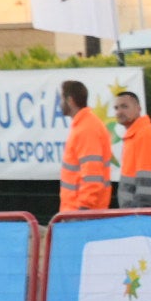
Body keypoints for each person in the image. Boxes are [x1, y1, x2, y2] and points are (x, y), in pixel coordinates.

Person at [58, 80, 112, 212]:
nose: (59, 104)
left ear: (70, 101)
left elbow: (92, 176)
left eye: (61, 99)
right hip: (79, 211)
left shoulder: (86, 129)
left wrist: (83, 209)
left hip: (81, 212)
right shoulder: (85, 126)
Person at [112, 90, 151, 208]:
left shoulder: (145, 134)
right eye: (116, 108)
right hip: (139, 214)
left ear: (138, 108)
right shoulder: (136, 134)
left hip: (144, 216)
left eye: (124, 106)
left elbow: (147, 182)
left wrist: (139, 214)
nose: (119, 111)